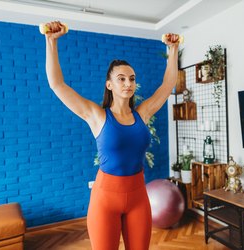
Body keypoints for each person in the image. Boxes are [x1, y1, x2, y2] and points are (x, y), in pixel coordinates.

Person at [44, 21, 179, 250]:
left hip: (138, 196)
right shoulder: (96, 116)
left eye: (132, 78)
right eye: (122, 78)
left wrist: (173, 50)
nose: (129, 83)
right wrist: (51, 41)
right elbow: (57, 84)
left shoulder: (142, 114)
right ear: (109, 85)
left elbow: (167, 85)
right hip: (105, 200)